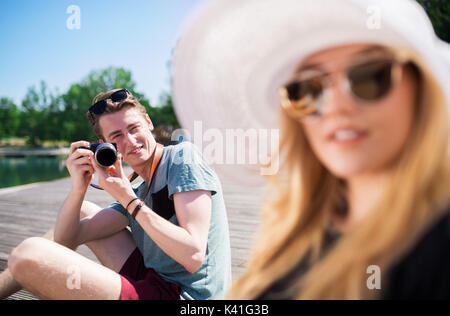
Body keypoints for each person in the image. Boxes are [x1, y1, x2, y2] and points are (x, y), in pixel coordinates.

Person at [171, 0, 450, 299]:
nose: (335, 105)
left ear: (421, 85)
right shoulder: (295, 234)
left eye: (370, 74)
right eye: (307, 89)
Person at [0, 88, 231, 300]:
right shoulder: (140, 188)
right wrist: (78, 189)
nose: (130, 141)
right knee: (83, 210)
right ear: (105, 145)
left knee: (27, 256)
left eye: (134, 128)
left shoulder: (182, 158)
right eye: (117, 136)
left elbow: (193, 256)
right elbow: (64, 242)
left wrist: (129, 200)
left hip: (186, 296)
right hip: (156, 280)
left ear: (148, 122)